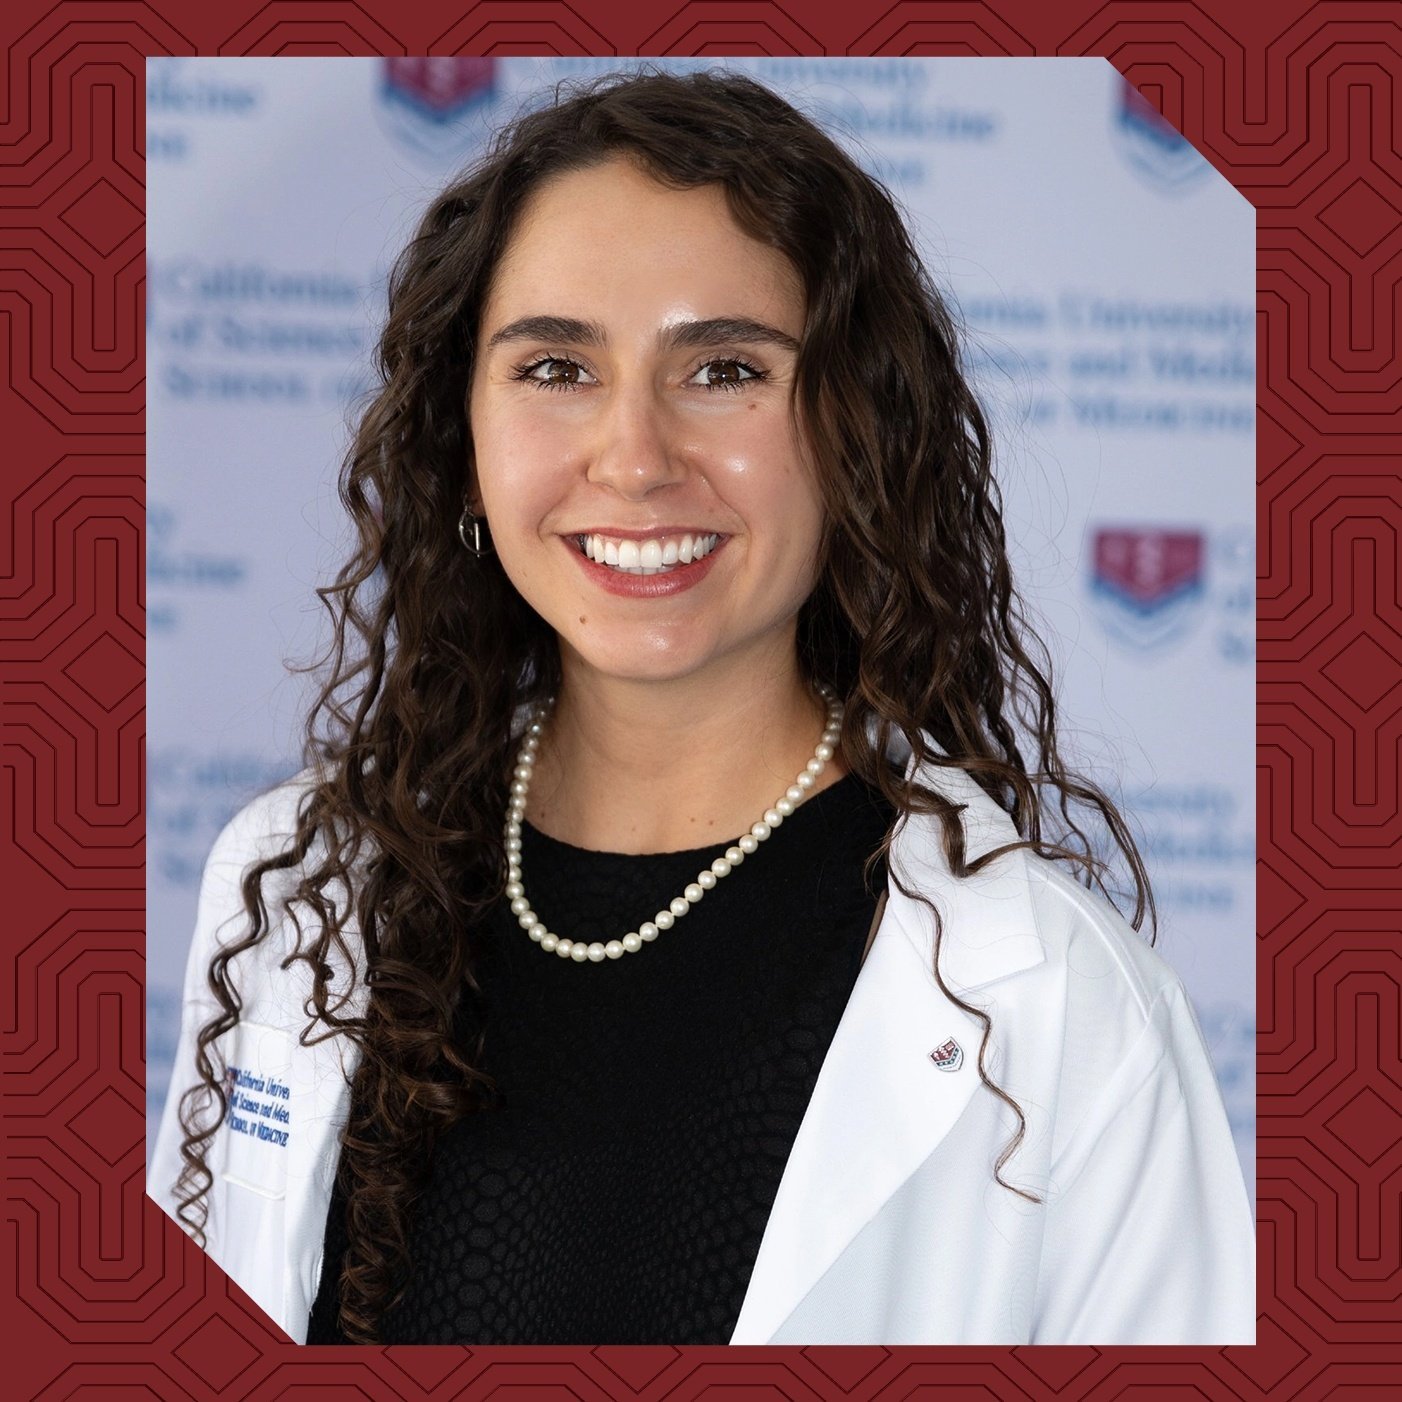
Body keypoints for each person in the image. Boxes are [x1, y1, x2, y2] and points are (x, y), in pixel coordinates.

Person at [149, 66, 1255, 1347]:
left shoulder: (1059, 1006)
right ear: (464, 437)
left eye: (724, 368)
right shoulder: (297, 890)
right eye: (557, 365)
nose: (633, 457)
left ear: (858, 436)